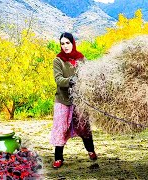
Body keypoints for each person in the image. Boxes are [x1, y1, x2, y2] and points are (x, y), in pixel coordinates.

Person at [50, 32, 97, 168]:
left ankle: (91, 151)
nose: (65, 46)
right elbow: (58, 80)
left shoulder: (81, 59)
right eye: (62, 44)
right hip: (63, 100)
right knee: (61, 128)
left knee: (83, 126)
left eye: (67, 43)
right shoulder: (58, 60)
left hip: (79, 100)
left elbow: (88, 75)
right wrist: (71, 80)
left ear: (73, 43)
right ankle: (58, 158)